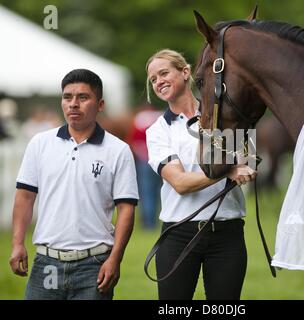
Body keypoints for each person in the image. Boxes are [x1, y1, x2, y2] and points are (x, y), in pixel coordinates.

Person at [9, 69, 139, 300]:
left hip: (94, 265)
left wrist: (115, 259)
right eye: (67, 97)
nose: (73, 104)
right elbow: (25, 197)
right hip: (47, 263)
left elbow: (126, 209)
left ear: (100, 105)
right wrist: (18, 244)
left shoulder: (118, 150)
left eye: (82, 97)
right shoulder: (40, 143)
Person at [145, 49, 257, 300]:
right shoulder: (157, 131)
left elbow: (248, 163)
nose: (158, 81)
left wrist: (243, 168)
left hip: (228, 233)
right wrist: (228, 170)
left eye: (164, 73)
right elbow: (181, 183)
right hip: (179, 233)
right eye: (153, 79)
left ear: (185, 72)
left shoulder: (226, 115)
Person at [126, 103, 162, 230]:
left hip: (145, 161)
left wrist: (142, 156)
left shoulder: (139, 119)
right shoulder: (160, 117)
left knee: (146, 193)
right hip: (160, 161)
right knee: (160, 192)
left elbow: (134, 141)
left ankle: (148, 223)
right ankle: (158, 220)